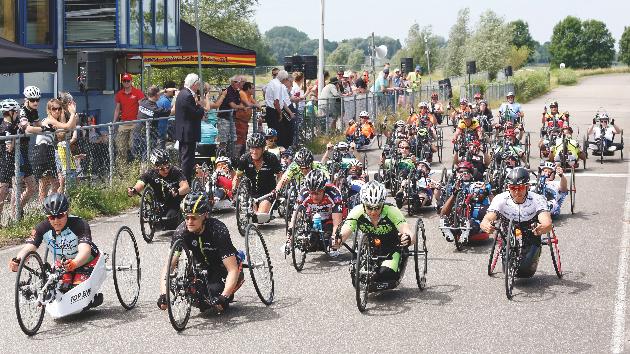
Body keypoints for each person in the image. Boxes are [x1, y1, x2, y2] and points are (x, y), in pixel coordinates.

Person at [8, 193, 104, 305]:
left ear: (66, 213)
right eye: (52, 217)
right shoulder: (41, 228)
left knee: (78, 294)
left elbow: (85, 250)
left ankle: (91, 298)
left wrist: (75, 263)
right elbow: (29, 248)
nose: (56, 220)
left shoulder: (79, 224)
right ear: (47, 217)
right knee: (60, 290)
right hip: (63, 264)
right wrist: (18, 260)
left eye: (60, 216)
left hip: (86, 261)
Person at [157, 191, 244, 314]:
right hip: (200, 266)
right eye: (186, 217)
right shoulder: (181, 232)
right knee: (194, 294)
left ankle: (228, 288)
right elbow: (169, 266)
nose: (189, 222)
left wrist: (224, 296)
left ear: (205, 216)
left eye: (194, 217)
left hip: (220, 267)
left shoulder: (218, 230)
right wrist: (163, 294)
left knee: (216, 302)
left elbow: (232, 269)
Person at [480, 167, 553, 278]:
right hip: (508, 233)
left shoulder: (537, 199)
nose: (516, 191)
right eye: (513, 188)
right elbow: (489, 217)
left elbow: (546, 221)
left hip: (531, 233)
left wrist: (545, 226)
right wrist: (485, 223)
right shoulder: (500, 198)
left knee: (525, 271)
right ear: (508, 187)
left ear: (527, 187)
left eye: (520, 188)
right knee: (508, 270)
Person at [337, 181, 413, 285]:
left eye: (377, 207)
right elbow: (347, 228)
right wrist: (339, 239)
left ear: (382, 204)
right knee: (356, 275)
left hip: (391, 248)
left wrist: (407, 238)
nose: (373, 212)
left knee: (386, 274)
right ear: (363, 204)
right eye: (369, 207)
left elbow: (407, 231)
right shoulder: (357, 211)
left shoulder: (392, 211)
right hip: (368, 248)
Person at [284, 169, 344, 255]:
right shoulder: (304, 193)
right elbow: (295, 218)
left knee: (327, 242)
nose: (314, 196)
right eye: (312, 193)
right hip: (313, 220)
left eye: (318, 192)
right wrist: (289, 239)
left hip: (330, 220)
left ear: (324, 189)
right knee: (310, 243)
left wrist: (334, 238)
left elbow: (337, 224)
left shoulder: (333, 193)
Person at [127, 149, 190, 230]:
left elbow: (186, 187)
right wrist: (133, 190)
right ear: (155, 167)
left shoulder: (175, 171)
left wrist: (178, 191)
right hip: (159, 205)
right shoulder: (150, 174)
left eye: (167, 167)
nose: (166, 170)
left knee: (171, 221)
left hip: (174, 203)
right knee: (157, 224)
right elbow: (140, 184)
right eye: (162, 169)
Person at [33, 99, 78, 202]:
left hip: (48, 150)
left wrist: (72, 116)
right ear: (49, 110)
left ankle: (49, 204)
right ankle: (44, 206)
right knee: (44, 183)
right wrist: (72, 113)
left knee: (55, 183)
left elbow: (62, 134)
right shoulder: (49, 120)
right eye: (54, 109)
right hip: (42, 150)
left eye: (59, 109)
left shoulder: (54, 122)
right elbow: (66, 126)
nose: (57, 111)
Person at [233, 133, 282, 218]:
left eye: (258, 148)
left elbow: (280, 175)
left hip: (267, 194)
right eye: (252, 148)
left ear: (263, 149)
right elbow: (237, 177)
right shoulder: (244, 159)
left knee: (260, 217)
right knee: (252, 215)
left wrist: (277, 190)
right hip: (250, 194)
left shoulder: (271, 158)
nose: (254, 152)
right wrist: (234, 191)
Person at [440, 163, 492, 243]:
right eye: (461, 172)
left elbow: (486, 194)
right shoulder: (451, 185)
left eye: (467, 172)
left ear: (471, 174)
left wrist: (481, 193)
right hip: (456, 215)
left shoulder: (477, 184)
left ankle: (467, 227)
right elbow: (443, 211)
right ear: (456, 174)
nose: (464, 174)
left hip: (474, 216)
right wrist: (454, 194)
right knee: (444, 212)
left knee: (477, 214)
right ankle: (449, 229)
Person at [175, 73, 207, 183]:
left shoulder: (183, 93)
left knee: (186, 159)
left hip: (185, 132)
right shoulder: (187, 95)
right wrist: (201, 107)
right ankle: (185, 183)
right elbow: (195, 114)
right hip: (188, 133)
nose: (198, 86)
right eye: (198, 84)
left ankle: (185, 181)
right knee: (186, 161)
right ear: (194, 84)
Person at [113, 73, 145, 163]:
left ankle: (137, 165)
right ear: (122, 82)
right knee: (120, 146)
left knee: (133, 146)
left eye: (128, 81)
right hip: (123, 123)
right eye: (124, 81)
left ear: (131, 81)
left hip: (135, 123)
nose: (126, 82)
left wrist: (140, 121)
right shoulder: (119, 94)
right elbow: (117, 109)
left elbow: (142, 107)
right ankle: (122, 170)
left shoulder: (137, 92)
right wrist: (114, 122)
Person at [137, 85, 176, 152]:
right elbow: (172, 111)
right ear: (157, 95)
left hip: (139, 133)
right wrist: (177, 98)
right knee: (153, 154)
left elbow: (152, 94)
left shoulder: (143, 101)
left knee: (142, 153)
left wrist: (165, 90)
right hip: (150, 135)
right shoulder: (156, 110)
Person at [0, 99, 22, 215]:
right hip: (4, 162)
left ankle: (15, 215)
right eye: (16, 112)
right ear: (10, 112)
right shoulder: (7, 127)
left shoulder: (6, 125)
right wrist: (15, 135)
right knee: (2, 192)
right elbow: (9, 148)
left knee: (13, 188)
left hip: (8, 162)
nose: (18, 114)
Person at [218, 76, 247, 160]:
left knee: (234, 138)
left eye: (239, 82)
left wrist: (240, 106)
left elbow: (239, 104)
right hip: (224, 118)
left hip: (231, 118)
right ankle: (220, 158)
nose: (238, 83)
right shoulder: (228, 91)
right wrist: (241, 107)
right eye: (236, 82)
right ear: (232, 82)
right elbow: (233, 105)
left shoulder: (236, 92)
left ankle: (232, 158)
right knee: (223, 140)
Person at [237, 82, 259, 156]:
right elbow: (248, 104)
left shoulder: (250, 96)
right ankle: (238, 155)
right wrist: (255, 105)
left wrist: (256, 105)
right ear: (248, 89)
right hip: (239, 120)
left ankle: (242, 154)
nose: (254, 90)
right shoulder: (242, 93)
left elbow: (256, 104)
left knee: (244, 138)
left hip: (245, 121)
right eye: (252, 88)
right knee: (240, 138)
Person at [156, 81, 177, 147]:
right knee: (160, 149)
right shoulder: (165, 101)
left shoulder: (160, 98)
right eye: (173, 90)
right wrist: (177, 99)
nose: (174, 92)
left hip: (158, 128)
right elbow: (171, 113)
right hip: (161, 129)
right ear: (169, 90)